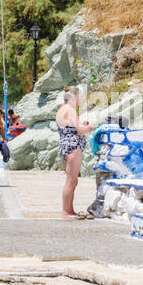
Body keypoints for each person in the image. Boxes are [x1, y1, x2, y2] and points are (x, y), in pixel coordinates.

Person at [56, 87, 92, 219]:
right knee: (71, 180)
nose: (81, 100)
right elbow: (80, 130)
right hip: (73, 146)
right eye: (80, 97)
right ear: (74, 97)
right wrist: (90, 126)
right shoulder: (70, 110)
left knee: (73, 180)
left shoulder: (62, 109)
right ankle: (66, 212)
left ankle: (70, 210)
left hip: (67, 145)